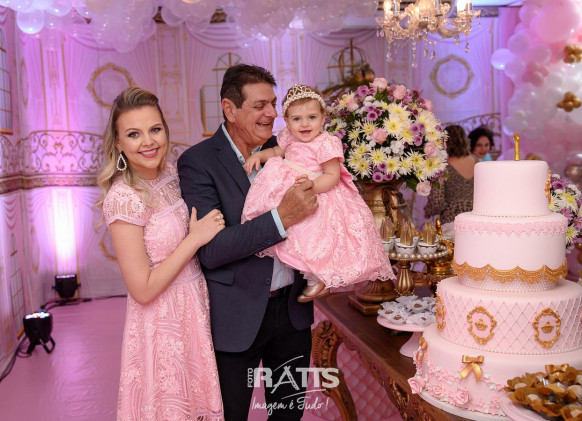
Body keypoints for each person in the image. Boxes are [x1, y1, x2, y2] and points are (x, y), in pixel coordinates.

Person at [177, 65, 317, 420]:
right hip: (236, 317)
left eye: (273, 103)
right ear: (230, 109)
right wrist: (281, 217)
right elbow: (211, 250)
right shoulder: (198, 162)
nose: (272, 113)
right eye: (259, 105)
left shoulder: (288, 149)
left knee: (288, 415)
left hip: (292, 312)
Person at [96, 87, 224, 420]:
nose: (148, 142)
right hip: (162, 322)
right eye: (133, 134)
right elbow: (142, 289)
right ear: (118, 143)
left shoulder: (172, 174)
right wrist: (194, 240)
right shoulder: (124, 198)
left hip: (195, 307)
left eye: (155, 129)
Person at [241, 84, 395, 302]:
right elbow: (277, 151)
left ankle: (316, 278)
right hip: (291, 190)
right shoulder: (288, 138)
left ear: (323, 118)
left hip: (319, 192)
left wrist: (312, 185)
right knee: (292, 233)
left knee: (315, 236)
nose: (305, 124)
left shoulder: (326, 143)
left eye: (311, 117)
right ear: (287, 122)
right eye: (297, 119)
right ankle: (310, 274)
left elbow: (332, 175)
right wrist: (259, 156)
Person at [425, 124, 475, 225]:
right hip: (476, 218)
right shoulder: (478, 163)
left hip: (452, 220)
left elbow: (437, 202)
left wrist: (428, 211)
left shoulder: (442, 168)